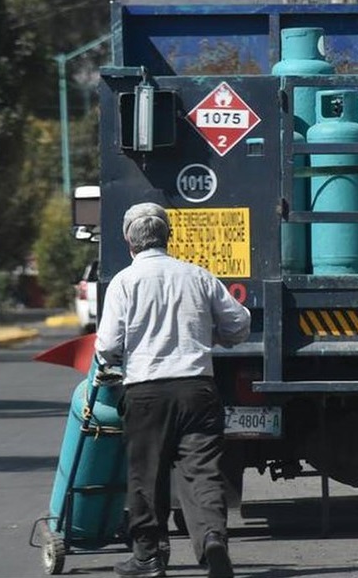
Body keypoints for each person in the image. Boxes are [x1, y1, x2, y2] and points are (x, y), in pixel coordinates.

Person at [95, 202, 251, 578]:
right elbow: (238, 324)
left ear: (128, 241)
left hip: (146, 392)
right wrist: (216, 337)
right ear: (169, 236)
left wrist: (113, 359)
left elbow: (108, 345)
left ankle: (148, 557)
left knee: (147, 475)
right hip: (197, 389)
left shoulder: (124, 283)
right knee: (201, 471)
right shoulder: (197, 276)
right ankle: (212, 539)